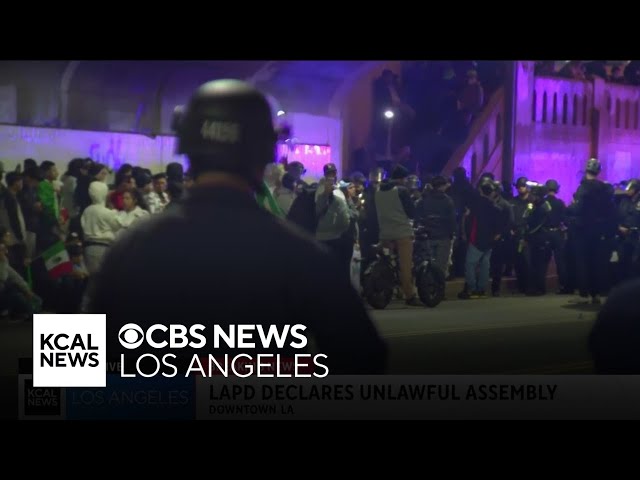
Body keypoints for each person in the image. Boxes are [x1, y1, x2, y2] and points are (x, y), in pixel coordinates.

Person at [89, 79, 387, 375]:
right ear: (264, 154)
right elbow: (365, 358)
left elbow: (68, 365)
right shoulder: (298, 253)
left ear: (188, 147)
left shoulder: (130, 247)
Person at [566, 158, 617, 304]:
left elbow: (578, 208)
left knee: (582, 262)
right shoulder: (604, 189)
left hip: (583, 230)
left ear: (586, 170)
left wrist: (568, 209)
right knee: (596, 262)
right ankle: (596, 294)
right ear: (598, 171)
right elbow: (611, 211)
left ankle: (583, 294)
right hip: (599, 230)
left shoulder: (583, 187)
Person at [375, 164, 421, 306]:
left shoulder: (378, 190)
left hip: (384, 233)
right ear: (402, 179)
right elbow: (411, 212)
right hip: (402, 233)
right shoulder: (401, 191)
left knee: (388, 262)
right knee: (405, 265)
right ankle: (409, 295)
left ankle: (388, 289)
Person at [416, 175, 456, 278]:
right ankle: (439, 289)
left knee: (427, 265)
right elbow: (452, 220)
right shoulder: (448, 201)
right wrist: (453, 233)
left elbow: (418, 216)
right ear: (442, 186)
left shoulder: (424, 200)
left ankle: (428, 288)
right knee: (441, 266)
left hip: (427, 236)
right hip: (443, 237)